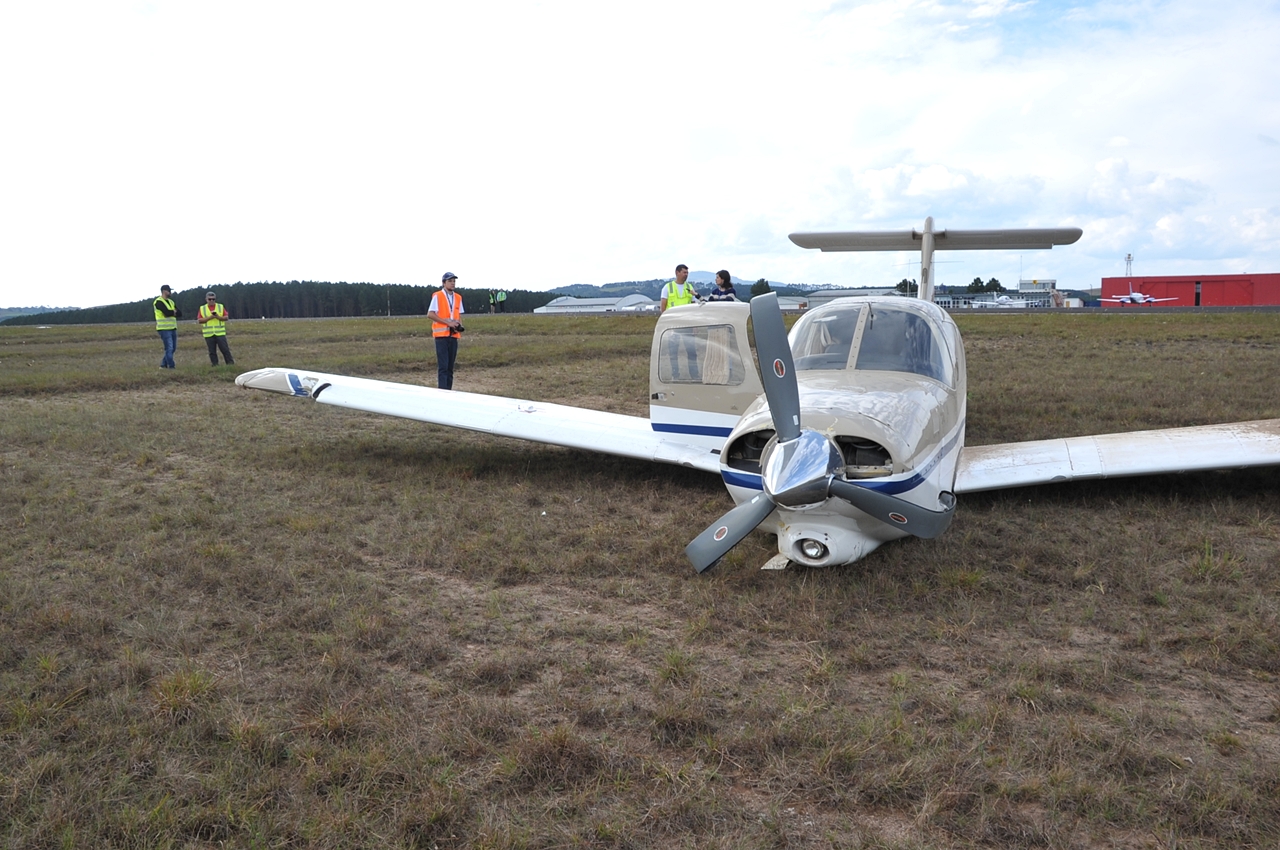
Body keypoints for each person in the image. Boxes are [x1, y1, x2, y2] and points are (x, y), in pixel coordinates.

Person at [660, 264, 700, 381]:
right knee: (673, 353)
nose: (686, 275)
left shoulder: (689, 287)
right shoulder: (668, 287)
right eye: (684, 272)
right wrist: (666, 324)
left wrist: (695, 325)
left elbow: (693, 306)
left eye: (687, 273)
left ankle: (694, 375)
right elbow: (663, 307)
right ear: (677, 272)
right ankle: (675, 375)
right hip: (673, 325)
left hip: (687, 324)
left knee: (691, 352)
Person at [428, 272, 465, 390]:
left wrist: (458, 325)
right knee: (443, 367)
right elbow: (430, 314)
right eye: (450, 281)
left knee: (450, 368)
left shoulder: (458, 297)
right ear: (444, 283)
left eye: (454, 281)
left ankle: (449, 391)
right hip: (441, 336)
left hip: (453, 335)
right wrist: (448, 323)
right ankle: (442, 392)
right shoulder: (437, 296)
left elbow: (458, 315)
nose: (453, 283)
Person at [197, 292, 234, 365]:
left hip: (220, 333)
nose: (211, 301)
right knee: (212, 351)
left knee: (225, 349)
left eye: (213, 299)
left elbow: (226, 318)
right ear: (206, 299)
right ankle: (215, 365)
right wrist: (210, 317)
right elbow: (200, 320)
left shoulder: (220, 306)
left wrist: (218, 317)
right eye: (209, 299)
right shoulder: (202, 308)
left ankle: (230, 364)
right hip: (208, 334)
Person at [153, 284, 182, 369]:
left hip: (172, 328)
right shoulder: (158, 302)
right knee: (169, 348)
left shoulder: (171, 302)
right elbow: (166, 313)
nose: (170, 292)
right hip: (164, 329)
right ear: (164, 291)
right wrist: (173, 312)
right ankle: (171, 366)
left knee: (173, 348)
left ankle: (163, 365)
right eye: (169, 291)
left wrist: (171, 312)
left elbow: (180, 313)